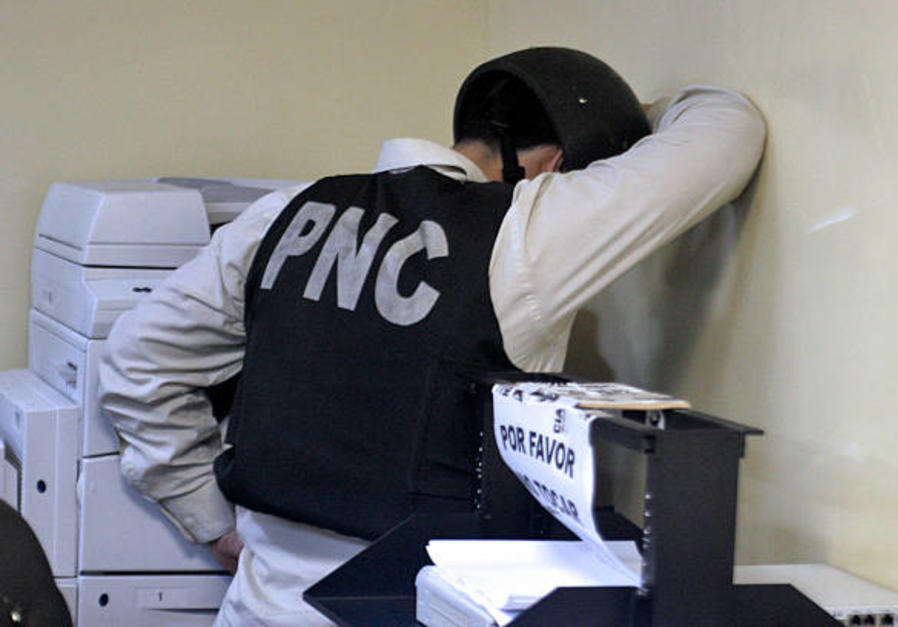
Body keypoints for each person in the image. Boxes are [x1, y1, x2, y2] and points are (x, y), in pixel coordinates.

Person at [99, 47, 766, 625]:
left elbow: (137, 358)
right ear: (553, 165)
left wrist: (210, 519)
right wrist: (639, 117)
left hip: (258, 605)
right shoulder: (525, 233)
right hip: (421, 604)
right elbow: (727, 128)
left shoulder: (285, 211)